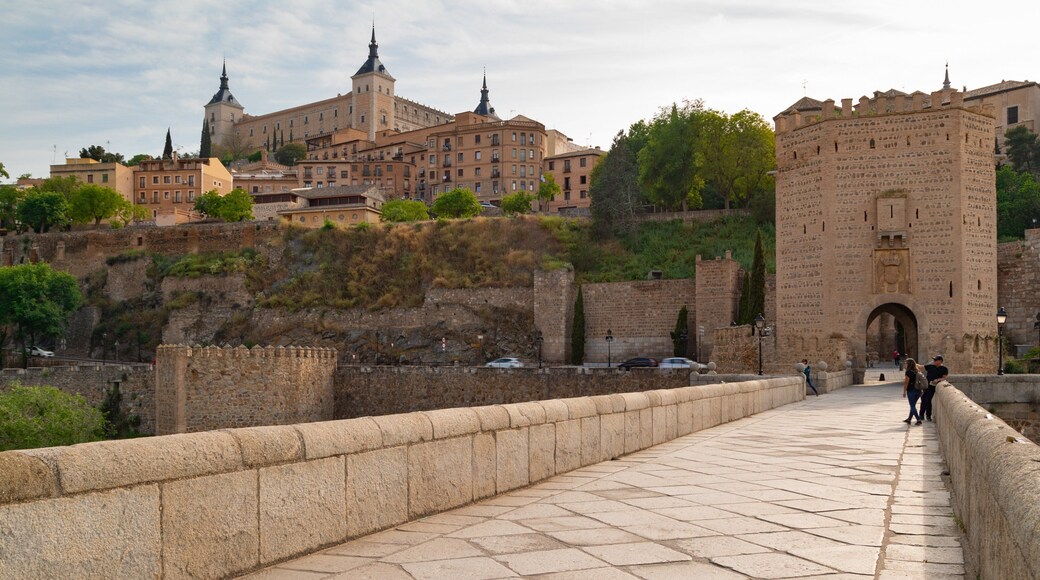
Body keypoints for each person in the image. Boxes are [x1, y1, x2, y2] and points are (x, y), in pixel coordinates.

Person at [921, 355, 949, 422]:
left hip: (933, 386)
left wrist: (938, 380)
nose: (934, 361)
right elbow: (920, 367)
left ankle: (928, 415)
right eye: (934, 360)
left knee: (928, 399)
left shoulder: (944, 369)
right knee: (923, 399)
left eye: (935, 360)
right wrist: (912, 363)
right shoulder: (930, 366)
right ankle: (921, 415)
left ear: (940, 361)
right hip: (926, 386)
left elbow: (944, 377)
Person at [902, 357, 923, 425]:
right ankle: (909, 419)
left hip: (911, 390)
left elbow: (906, 382)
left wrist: (904, 391)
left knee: (912, 406)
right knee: (913, 405)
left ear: (909, 364)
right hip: (918, 390)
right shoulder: (917, 371)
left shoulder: (908, 372)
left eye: (906, 363)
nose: (905, 364)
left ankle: (918, 419)